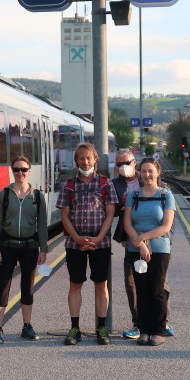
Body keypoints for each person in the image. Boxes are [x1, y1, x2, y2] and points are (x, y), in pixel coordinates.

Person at [56, 143, 118, 345]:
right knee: (75, 284)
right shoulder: (68, 185)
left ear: (95, 160)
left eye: (89, 158)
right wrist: (76, 237)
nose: (85, 161)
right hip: (75, 243)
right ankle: (75, 328)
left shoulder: (105, 184)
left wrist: (99, 238)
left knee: (101, 284)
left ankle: (101, 328)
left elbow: (110, 214)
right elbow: (64, 216)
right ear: (76, 161)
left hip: (100, 242)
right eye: (81, 158)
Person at [112, 153, 175, 340]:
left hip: (159, 249)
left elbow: (165, 226)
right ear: (139, 173)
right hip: (135, 249)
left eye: (150, 171)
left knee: (156, 289)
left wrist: (142, 240)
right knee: (141, 289)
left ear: (158, 173)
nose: (147, 175)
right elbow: (127, 223)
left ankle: (159, 330)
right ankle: (145, 330)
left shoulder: (166, 195)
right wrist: (139, 243)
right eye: (144, 171)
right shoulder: (134, 195)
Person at [0, 155, 48, 345]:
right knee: (3, 286)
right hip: (8, 246)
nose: (20, 173)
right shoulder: (4, 194)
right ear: (12, 171)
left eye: (24, 169)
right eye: (16, 169)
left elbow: (41, 225)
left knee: (27, 287)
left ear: (29, 171)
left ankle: (27, 326)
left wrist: (43, 249)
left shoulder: (37, 196)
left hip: (30, 247)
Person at [110, 149, 141, 339]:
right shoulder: (114, 184)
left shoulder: (148, 176)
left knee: (158, 280)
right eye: (119, 164)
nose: (123, 167)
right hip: (129, 237)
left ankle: (162, 320)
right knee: (131, 280)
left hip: (153, 237)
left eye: (126, 163)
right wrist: (120, 206)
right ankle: (137, 322)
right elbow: (111, 212)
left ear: (134, 162)